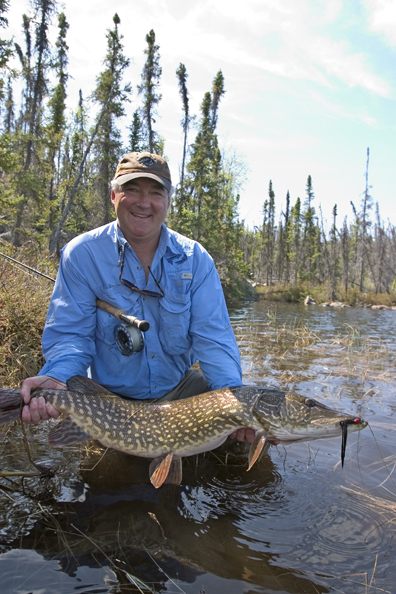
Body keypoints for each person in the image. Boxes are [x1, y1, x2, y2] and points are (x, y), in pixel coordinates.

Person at [21, 151, 254, 443]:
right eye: (132, 190)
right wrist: (57, 377)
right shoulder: (82, 254)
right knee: (115, 482)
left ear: (167, 201)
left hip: (178, 392)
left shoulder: (196, 260)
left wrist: (235, 403)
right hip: (108, 400)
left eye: (155, 193)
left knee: (251, 434)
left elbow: (214, 339)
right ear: (113, 195)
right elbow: (71, 334)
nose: (144, 203)